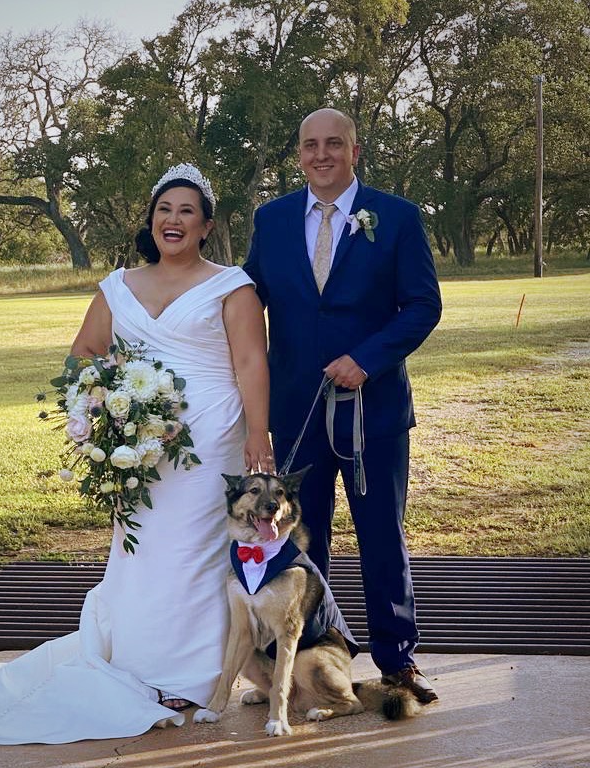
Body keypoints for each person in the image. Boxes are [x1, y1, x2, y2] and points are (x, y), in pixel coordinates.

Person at [0, 163, 274, 744]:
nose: (172, 220)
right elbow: (84, 351)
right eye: (163, 210)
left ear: (206, 226)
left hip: (212, 433)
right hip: (143, 441)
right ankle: (136, 663)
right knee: (144, 546)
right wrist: (113, 405)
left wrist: (259, 432)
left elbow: (252, 362)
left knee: (199, 549)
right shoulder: (117, 286)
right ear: (151, 221)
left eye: (186, 212)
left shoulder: (232, 285)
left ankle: (192, 676)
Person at [243, 108, 443, 704]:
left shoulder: (398, 218)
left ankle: (398, 660)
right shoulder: (272, 219)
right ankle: (315, 658)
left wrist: (367, 358)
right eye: (310, 145)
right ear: (299, 153)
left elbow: (422, 305)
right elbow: (246, 298)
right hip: (297, 412)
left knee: (382, 532)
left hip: (373, 410)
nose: (321, 155)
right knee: (304, 540)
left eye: (334, 144)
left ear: (355, 150)